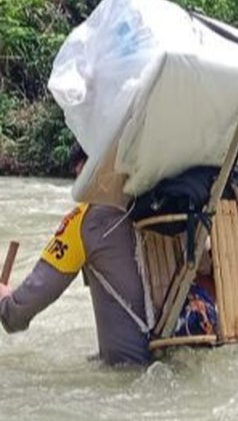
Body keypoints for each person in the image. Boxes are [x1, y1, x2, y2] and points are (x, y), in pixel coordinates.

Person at [0, 143, 152, 365]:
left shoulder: (86, 221)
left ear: (85, 170)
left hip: (128, 375)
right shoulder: (165, 207)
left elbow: (21, 310)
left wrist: (5, 300)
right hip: (180, 361)